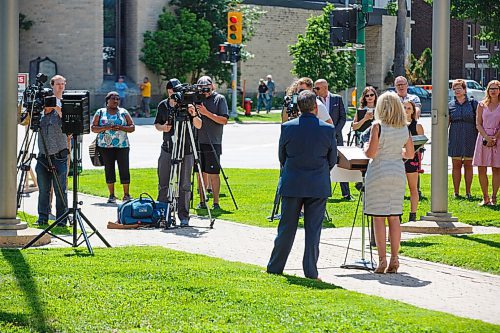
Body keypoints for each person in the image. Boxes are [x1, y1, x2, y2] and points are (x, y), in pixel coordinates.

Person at [267, 90, 337, 280]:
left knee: (286, 228)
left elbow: (282, 156)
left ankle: (275, 266)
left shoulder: (287, 127)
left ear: (298, 107)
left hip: (293, 181)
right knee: (313, 231)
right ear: (316, 107)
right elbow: (332, 159)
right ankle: (311, 271)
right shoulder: (327, 129)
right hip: (317, 183)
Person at [364, 92, 414, 274]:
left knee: (378, 218)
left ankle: (382, 260)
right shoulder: (404, 128)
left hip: (379, 172)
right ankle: (395, 257)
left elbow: (370, 153)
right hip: (397, 173)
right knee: (394, 217)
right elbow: (409, 154)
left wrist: (365, 148)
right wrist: (396, 153)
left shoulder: (378, 126)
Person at [155, 79, 202, 227]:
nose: (172, 93)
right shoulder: (163, 105)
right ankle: (163, 213)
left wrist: (193, 114)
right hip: (168, 148)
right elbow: (157, 124)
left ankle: (183, 215)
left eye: (174, 90)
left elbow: (199, 125)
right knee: (164, 182)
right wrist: (164, 128)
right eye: (169, 90)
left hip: (186, 149)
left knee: (184, 184)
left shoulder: (189, 105)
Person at [35, 75, 70, 226]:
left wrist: (56, 105)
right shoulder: (42, 109)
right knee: (43, 190)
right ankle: (42, 218)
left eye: (63, 84)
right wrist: (43, 108)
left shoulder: (64, 104)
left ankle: (61, 220)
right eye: (58, 84)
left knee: (60, 189)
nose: (61, 87)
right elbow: (28, 121)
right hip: (43, 156)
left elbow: (68, 121)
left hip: (59, 155)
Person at [91, 91, 135, 203]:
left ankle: (126, 195)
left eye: (117, 99)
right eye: (113, 98)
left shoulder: (123, 112)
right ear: (107, 100)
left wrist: (120, 127)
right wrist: (105, 127)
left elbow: (132, 127)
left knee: (124, 169)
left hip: (122, 145)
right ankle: (111, 195)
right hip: (105, 147)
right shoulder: (100, 112)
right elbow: (93, 128)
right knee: (109, 169)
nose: (116, 101)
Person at [314, 79, 351, 200]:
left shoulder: (337, 99)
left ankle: (346, 193)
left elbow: (342, 117)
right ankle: (323, 192)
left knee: (341, 164)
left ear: (325, 87)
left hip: (336, 137)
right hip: (320, 139)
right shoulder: (314, 101)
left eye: (317, 88)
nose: (315, 91)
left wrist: (334, 131)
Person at [195, 76, 229, 210]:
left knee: (214, 173)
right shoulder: (197, 100)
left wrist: (206, 113)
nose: (205, 92)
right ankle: (202, 201)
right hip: (198, 140)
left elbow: (224, 120)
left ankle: (216, 203)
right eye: (202, 89)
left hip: (213, 142)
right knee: (200, 173)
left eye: (207, 89)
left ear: (212, 86)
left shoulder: (219, 99)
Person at [448, 79, 478, 200]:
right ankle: (456, 192)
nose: (457, 91)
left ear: (465, 90)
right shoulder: (450, 104)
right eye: (454, 89)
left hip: (470, 135)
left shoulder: (472, 103)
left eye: (459, 88)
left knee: (468, 164)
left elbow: (478, 120)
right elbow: (447, 121)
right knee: (456, 164)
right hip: (455, 135)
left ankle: (468, 191)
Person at [472, 80, 500, 206]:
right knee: (481, 168)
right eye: (490, 88)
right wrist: (486, 138)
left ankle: (494, 197)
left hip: (497, 138)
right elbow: (478, 123)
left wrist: (494, 137)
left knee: (496, 169)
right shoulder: (481, 104)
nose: (493, 91)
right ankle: (485, 197)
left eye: (495, 88)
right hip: (483, 138)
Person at [404, 101, 424, 222]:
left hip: (412, 159)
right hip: (399, 158)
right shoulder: (397, 125)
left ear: (413, 111)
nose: (406, 110)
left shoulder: (417, 126)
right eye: (404, 108)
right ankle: (398, 214)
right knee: (399, 188)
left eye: (409, 108)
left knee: (413, 188)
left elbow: (421, 144)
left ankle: (413, 213)